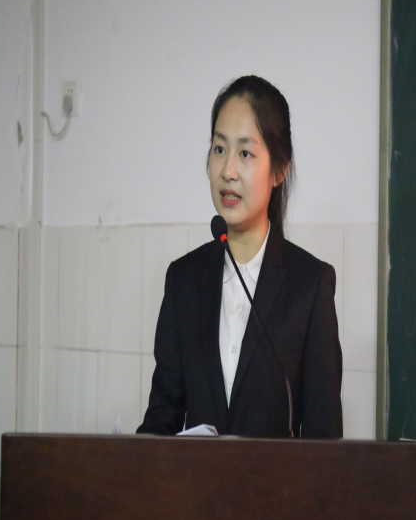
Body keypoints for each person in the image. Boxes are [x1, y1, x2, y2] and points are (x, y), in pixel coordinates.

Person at [137, 75, 342, 438]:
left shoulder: (310, 286)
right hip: (195, 477)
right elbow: (161, 419)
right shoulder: (183, 280)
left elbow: (324, 439)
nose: (227, 171)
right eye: (219, 149)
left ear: (279, 170)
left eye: (245, 153)